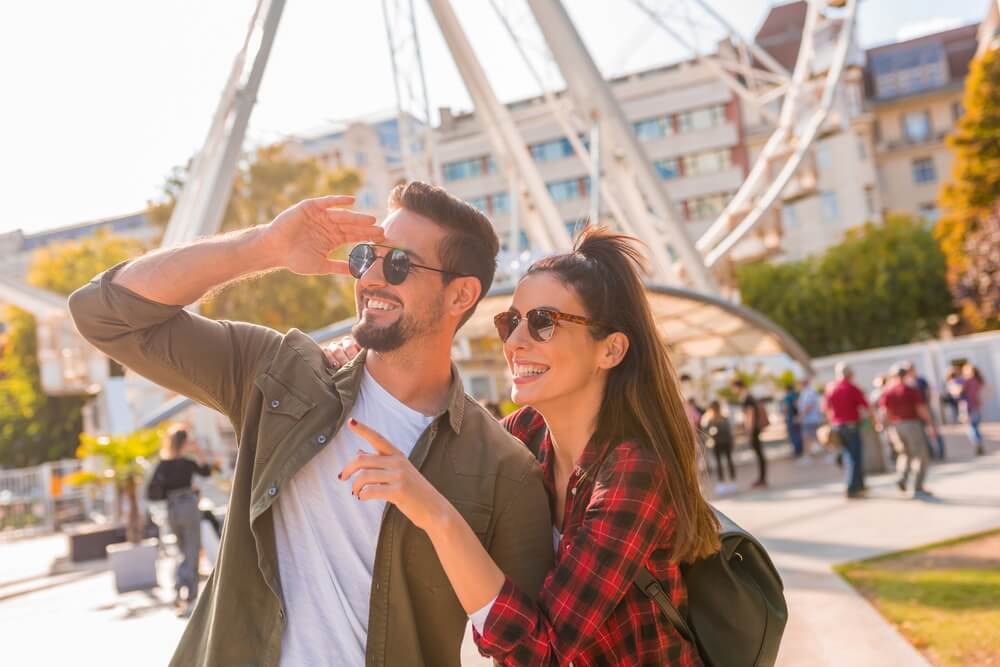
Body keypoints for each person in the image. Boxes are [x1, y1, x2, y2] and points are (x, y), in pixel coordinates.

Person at [69, 183, 553, 667]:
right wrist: (265, 246)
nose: (372, 278)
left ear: (461, 295)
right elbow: (102, 314)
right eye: (367, 256)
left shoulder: (505, 471)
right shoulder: (280, 374)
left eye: (401, 264)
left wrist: (439, 517)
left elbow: (527, 650)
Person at [334, 228, 719, 665]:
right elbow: (436, 431)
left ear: (610, 350)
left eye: (543, 322)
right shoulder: (525, 435)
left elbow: (546, 653)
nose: (516, 342)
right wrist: (360, 362)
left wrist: (438, 517)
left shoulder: (635, 470)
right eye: (510, 321)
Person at [148, 426, 217, 616]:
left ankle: (180, 590)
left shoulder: (164, 465)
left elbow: (153, 491)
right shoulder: (186, 463)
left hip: (172, 509)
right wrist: (199, 452)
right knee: (192, 551)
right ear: (185, 442)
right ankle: (190, 596)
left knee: (182, 551)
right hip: (188, 505)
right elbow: (207, 472)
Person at [878, 365, 935, 499]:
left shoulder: (887, 391)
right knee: (922, 455)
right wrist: (930, 423)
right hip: (911, 424)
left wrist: (886, 427)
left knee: (904, 453)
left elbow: (885, 411)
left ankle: (902, 479)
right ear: (905, 376)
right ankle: (918, 486)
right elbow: (920, 408)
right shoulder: (910, 390)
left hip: (895, 426)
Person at [823, 363, 873, 499]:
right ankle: (852, 488)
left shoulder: (831, 388)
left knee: (848, 456)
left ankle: (860, 485)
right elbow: (866, 406)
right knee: (855, 457)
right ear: (850, 374)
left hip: (837, 426)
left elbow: (826, 409)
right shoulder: (851, 388)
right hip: (851, 426)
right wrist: (874, 420)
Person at [902, 362, 946, 460]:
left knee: (934, 430)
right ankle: (930, 453)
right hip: (916, 411)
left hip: (925, 407)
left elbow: (929, 391)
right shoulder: (907, 383)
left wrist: (927, 404)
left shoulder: (921, 380)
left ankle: (941, 452)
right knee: (922, 433)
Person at [733, 379, 767, 488]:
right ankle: (762, 478)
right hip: (755, 429)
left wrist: (749, 432)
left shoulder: (747, 398)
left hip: (754, 429)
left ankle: (762, 479)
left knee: (759, 454)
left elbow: (750, 415)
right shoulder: (749, 397)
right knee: (759, 454)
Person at [701, 400, 736, 493]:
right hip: (724, 442)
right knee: (728, 461)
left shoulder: (709, 419)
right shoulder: (722, 417)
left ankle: (723, 483)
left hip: (717, 443)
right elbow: (729, 431)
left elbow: (705, 432)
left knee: (721, 463)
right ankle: (731, 482)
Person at [961, 363, 988, 456]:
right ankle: (979, 442)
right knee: (976, 427)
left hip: (969, 407)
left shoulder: (967, 381)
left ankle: (977, 442)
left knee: (972, 427)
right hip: (977, 406)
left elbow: (960, 393)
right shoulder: (979, 381)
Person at [797, 376, 824, 456]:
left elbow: (808, 406)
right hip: (808, 419)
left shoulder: (810, 391)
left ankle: (807, 455)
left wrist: (800, 416)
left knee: (808, 437)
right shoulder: (805, 391)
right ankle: (808, 455)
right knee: (811, 437)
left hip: (811, 419)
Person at [781, 381, 804, 461]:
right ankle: (800, 449)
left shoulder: (788, 396)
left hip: (791, 417)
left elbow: (786, 407)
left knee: (794, 435)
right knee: (798, 433)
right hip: (797, 416)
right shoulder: (797, 394)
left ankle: (797, 451)